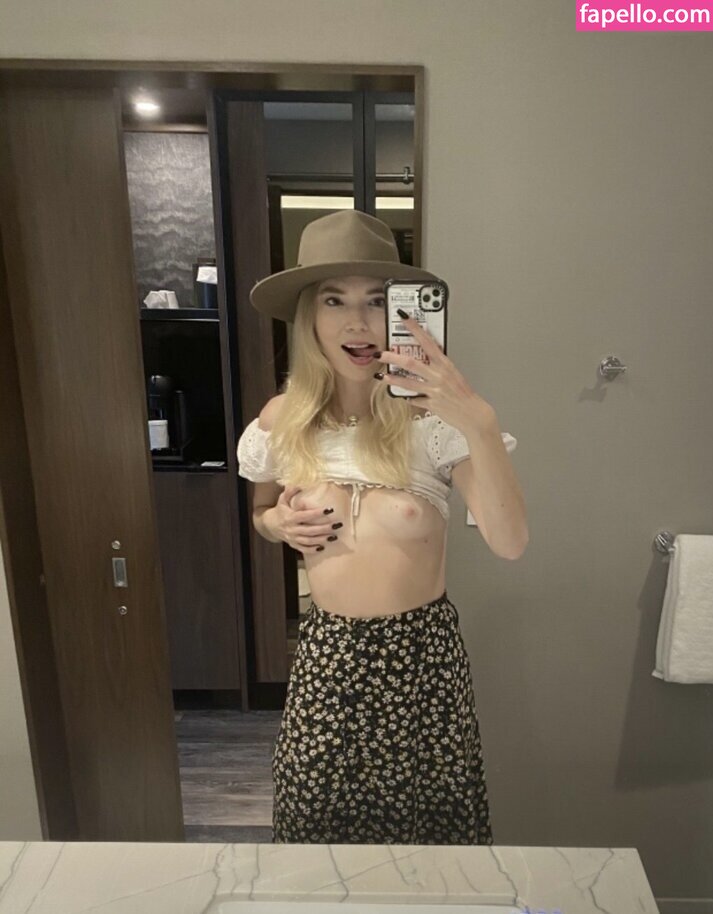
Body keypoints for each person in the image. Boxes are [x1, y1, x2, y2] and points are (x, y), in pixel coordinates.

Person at [236, 209, 528, 845]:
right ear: (309, 317)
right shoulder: (283, 419)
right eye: (334, 299)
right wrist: (278, 521)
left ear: (402, 313)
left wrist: (478, 421)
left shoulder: (434, 425)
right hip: (326, 658)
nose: (358, 322)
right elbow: (261, 513)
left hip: (421, 663)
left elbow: (510, 543)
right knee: (316, 832)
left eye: (376, 301)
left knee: (431, 843)